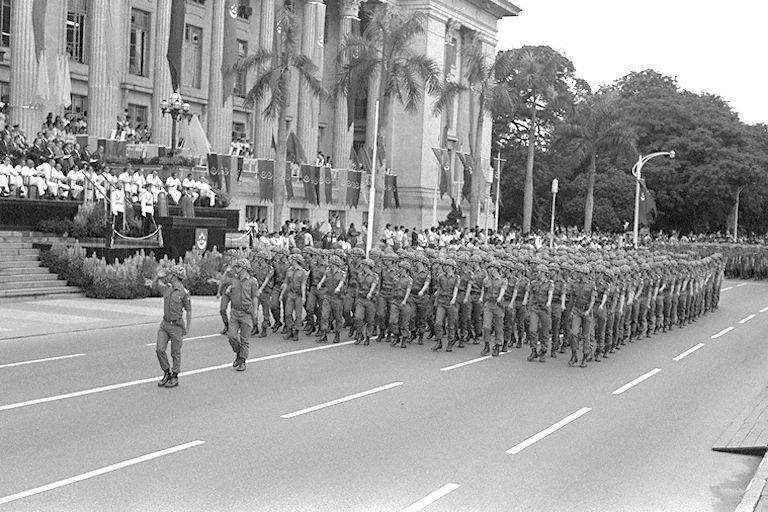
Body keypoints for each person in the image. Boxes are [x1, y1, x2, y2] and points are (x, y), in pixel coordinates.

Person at [153, 265, 191, 389]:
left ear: (175, 277)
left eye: (170, 275)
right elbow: (154, 286)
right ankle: (166, 372)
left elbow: (189, 310)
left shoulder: (184, 293)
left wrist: (188, 327)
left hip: (177, 326)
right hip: (165, 325)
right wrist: (157, 277)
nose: (168, 276)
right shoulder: (167, 289)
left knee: (175, 353)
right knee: (160, 349)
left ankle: (175, 376)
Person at [222, 259, 258, 372]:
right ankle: (238, 353)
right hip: (235, 312)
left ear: (244, 269)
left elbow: (254, 297)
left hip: (246, 312)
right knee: (231, 336)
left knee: (244, 339)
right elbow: (223, 281)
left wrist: (255, 310)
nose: (236, 269)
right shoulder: (234, 280)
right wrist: (228, 288)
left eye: (238, 267)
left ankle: (242, 361)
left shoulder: (252, 282)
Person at [281, 253, 308, 341]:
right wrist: (281, 294)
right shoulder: (289, 270)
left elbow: (303, 285)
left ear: (296, 261)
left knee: (298, 315)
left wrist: (304, 296)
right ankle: (290, 330)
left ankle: (296, 331)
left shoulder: (302, 272)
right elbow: (286, 283)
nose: (290, 261)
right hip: (290, 294)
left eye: (292, 260)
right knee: (287, 314)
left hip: (298, 295)